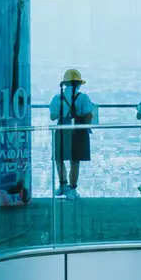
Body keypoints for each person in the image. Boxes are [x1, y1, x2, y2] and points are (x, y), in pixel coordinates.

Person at [49, 68, 97, 199]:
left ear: (65, 84)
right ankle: (72, 188)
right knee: (75, 160)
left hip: (62, 128)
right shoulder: (84, 98)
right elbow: (88, 116)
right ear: (79, 84)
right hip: (78, 129)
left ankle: (62, 185)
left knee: (59, 158)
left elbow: (53, 117)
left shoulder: (57, 98)